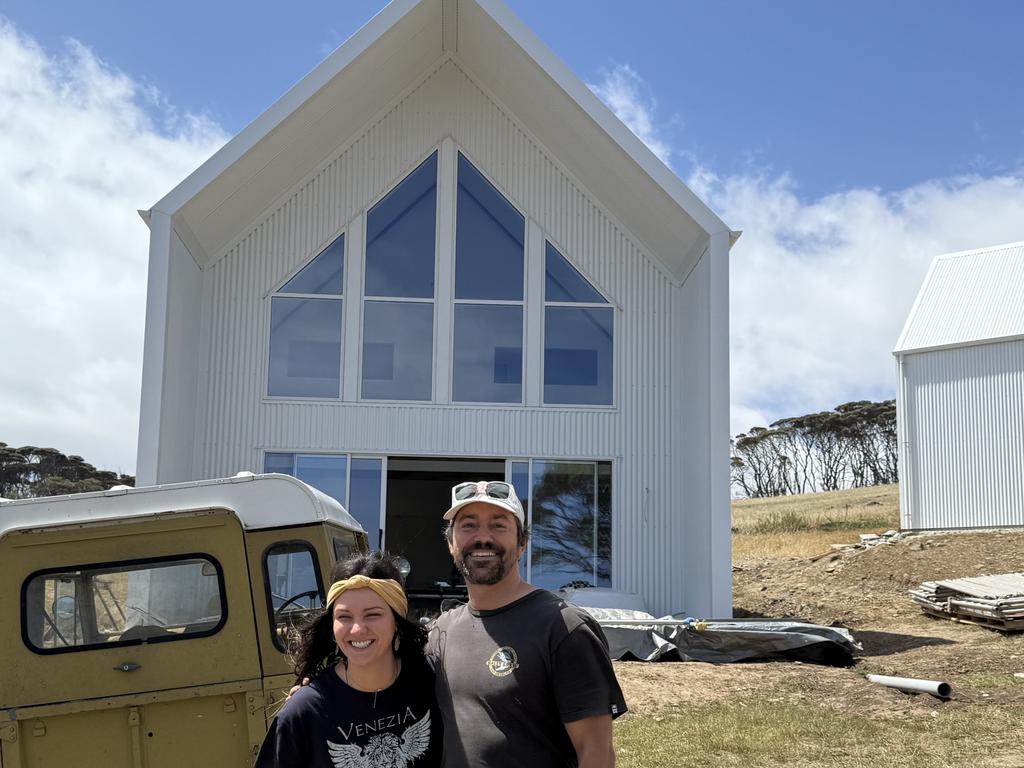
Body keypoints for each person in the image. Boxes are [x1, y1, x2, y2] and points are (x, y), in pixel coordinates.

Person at [430, 480, 627, 767]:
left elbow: (596, 753)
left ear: (522, 543)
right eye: (469, 525)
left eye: (498, 526)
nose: (482, 537)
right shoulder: (441, 632)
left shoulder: (563, 627)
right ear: (451, 543)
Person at [256, 552, 443, 768]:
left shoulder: (433, 683)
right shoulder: (304, 712)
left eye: (372, 614)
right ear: (332, 627)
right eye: (344, 617)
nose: (357, 629)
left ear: (397, 621)